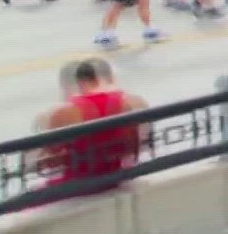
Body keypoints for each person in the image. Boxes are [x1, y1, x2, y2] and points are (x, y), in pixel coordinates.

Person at [36, 60, 146, 196]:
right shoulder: (125, 103)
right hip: (115, 178)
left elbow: (48, 163)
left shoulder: (65, 112)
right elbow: (132, 149)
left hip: (79, 185)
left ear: (75, 83)